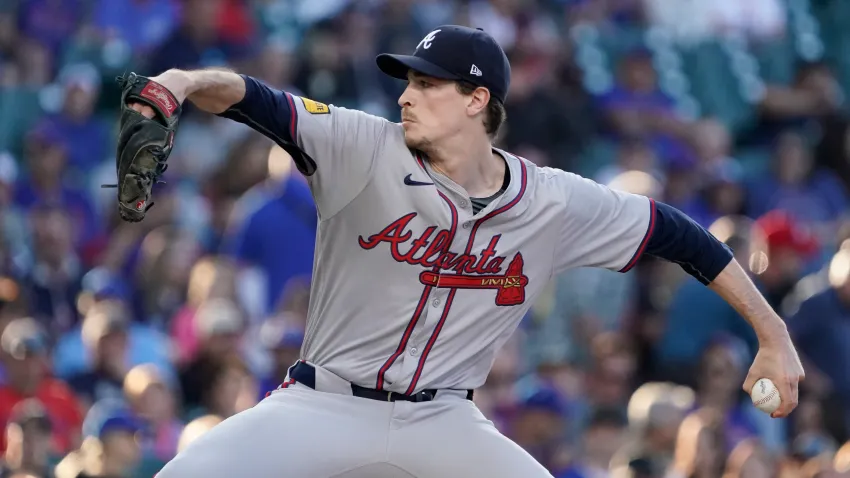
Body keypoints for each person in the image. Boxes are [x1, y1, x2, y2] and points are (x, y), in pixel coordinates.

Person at [130, 25, 804, 478]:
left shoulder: (550, 200)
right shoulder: (363, 145)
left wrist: (770, 331)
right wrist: (181, 82)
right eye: (407, 81)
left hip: (442, 417)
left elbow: (681, 236)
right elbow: (255, 100)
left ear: (478, 99)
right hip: (322, 404)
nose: (406, 95)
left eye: (428, 84)